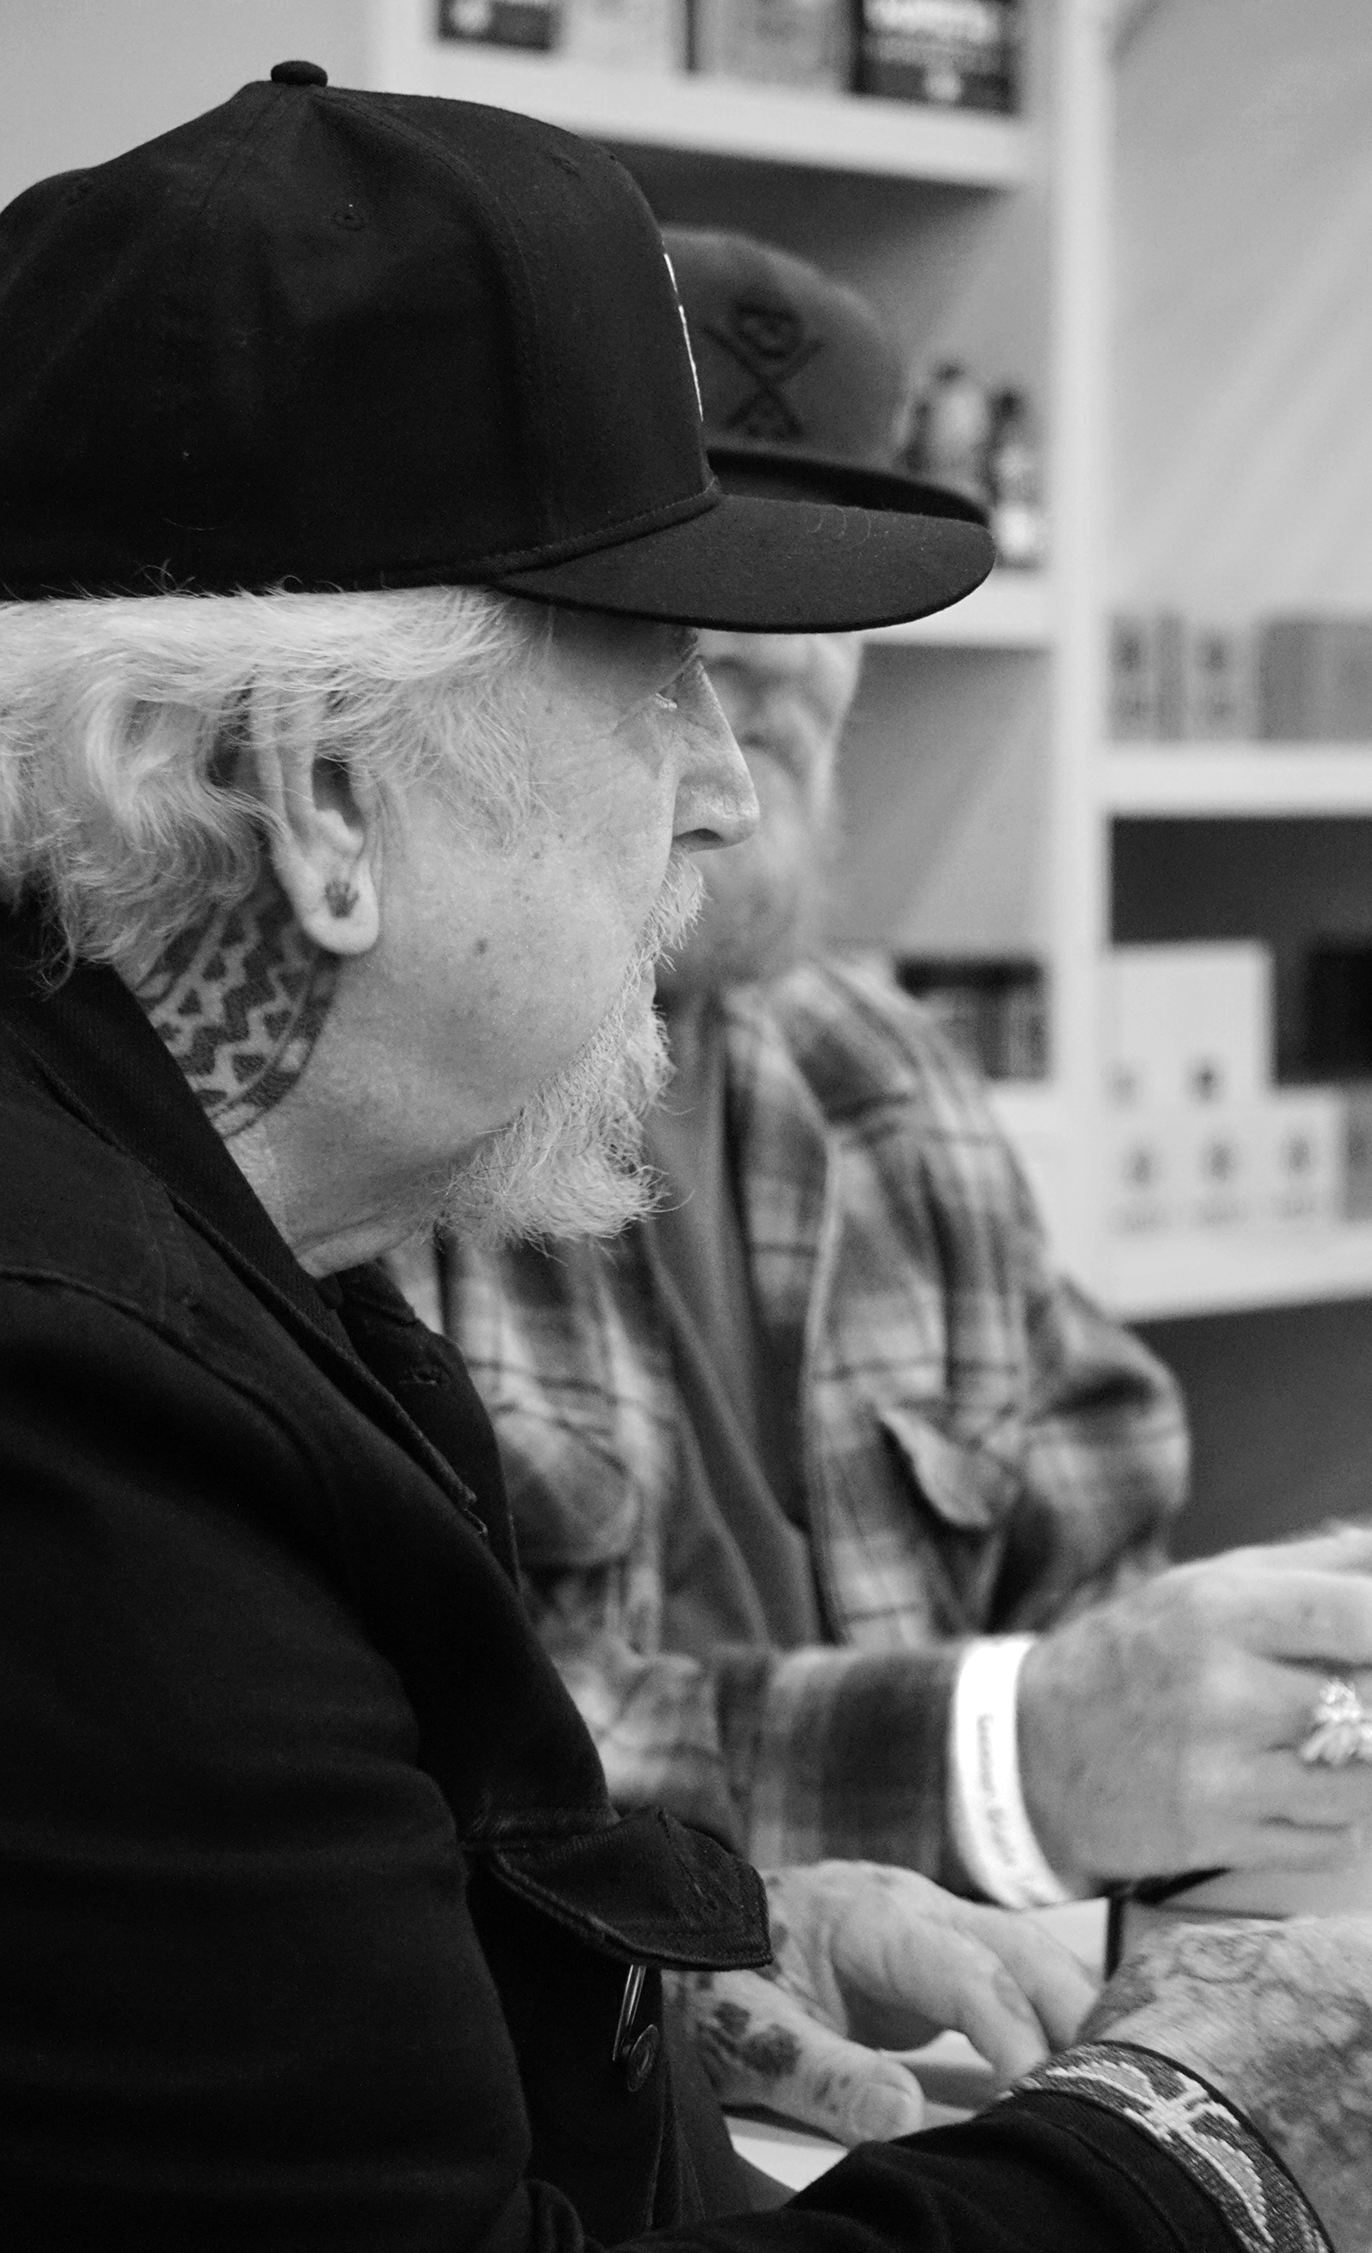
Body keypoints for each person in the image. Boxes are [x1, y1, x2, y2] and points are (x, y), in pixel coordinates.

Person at [0, 63, 1368, 2251]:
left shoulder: (203, 1202)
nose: (727, 795)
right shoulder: (20, 1401)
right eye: (657, 681)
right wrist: (1210, 2118)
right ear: (316, 796)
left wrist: (652, 1976)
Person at [391, 229, 1372, 2128]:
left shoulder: (886, 1076)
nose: (750, 690)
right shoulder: (375, 1102)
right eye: (690, 604)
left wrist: (1267, 1707)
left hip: (964, 2084)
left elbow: (1103, 1577)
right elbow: (439, 1767)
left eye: (806, 615)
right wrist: (1009, 1747)